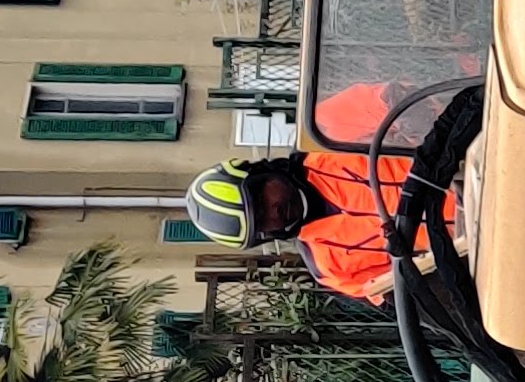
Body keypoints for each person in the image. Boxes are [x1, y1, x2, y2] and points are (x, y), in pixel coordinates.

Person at [181, 80, 456, 305]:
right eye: (263, 219)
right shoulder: (330, 268)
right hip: (474, 242)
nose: (273, 210)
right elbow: (412, 295)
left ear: (259, 173)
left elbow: (393, 98)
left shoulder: (321, 132)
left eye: (261, 198)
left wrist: (421, 127)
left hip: (470, 159)